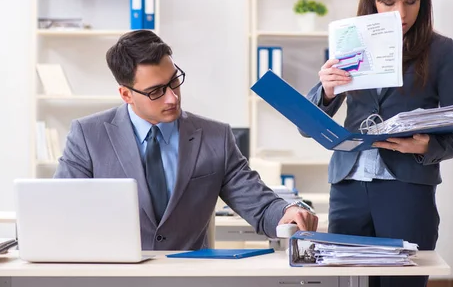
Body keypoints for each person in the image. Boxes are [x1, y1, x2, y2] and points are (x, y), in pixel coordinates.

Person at [305, 0, 453, 287]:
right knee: (343, 282)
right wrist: (325, 91)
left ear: (422, 2)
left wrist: (425, 145)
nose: (400, 13)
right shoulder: (349, 44)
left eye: (410, 1)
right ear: (372, 2)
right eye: (389, 2)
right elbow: (306, 126)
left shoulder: (439, 50)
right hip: (348, 187)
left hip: (407, 189)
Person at [54, 29, 318, 250]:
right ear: (126, 94)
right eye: (156, 91)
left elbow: (259, 204)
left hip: (188, 276)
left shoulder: (216, 137)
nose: (172, 98)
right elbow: (60, 210)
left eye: (174, 82)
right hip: (112, 276)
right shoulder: (88, 135)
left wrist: (289, 211)